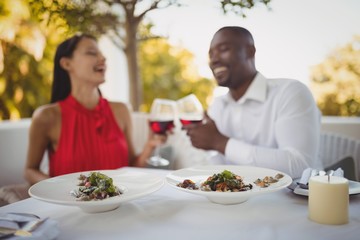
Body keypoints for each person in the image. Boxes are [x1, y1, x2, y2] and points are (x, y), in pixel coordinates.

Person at [24, 33, 163, 185]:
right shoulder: (47, 116)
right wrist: (58, 188)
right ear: (66, 64)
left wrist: (150, 146)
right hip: (70, 207)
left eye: (102, 54)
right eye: (92, 53)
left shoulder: (121, 110)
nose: (103, 58)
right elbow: (30, 170)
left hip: (120, 205)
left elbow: (131, 167)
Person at [183, 26, 321, 178]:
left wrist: (220, 142)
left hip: (292, 199)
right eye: (211, 54)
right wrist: (204, 145)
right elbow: (215, 164)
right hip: (234, 199)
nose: (214, 59)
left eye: (223, 49)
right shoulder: (218, 105)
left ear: (250, 51)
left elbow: (299, 165)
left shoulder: (290, 92)